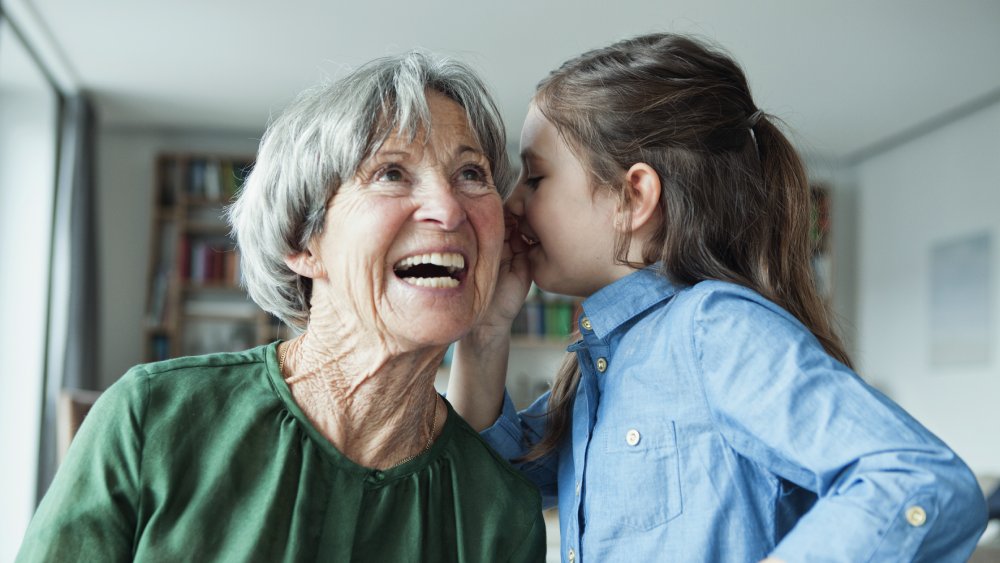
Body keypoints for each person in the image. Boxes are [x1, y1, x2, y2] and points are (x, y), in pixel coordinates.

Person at [447, 33, 987, 562]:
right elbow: (487, 488)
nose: (510, 202)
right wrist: (484, 332)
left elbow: (919, 483)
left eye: (535, 178)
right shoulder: (601, 368)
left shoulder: (712, 329)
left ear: (633, 197)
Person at [18, 52, 545, 562]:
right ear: (303, 240)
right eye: (391, 173)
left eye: (471, 174)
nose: (450, 209)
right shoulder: (152, 417)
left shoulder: (500, 513)